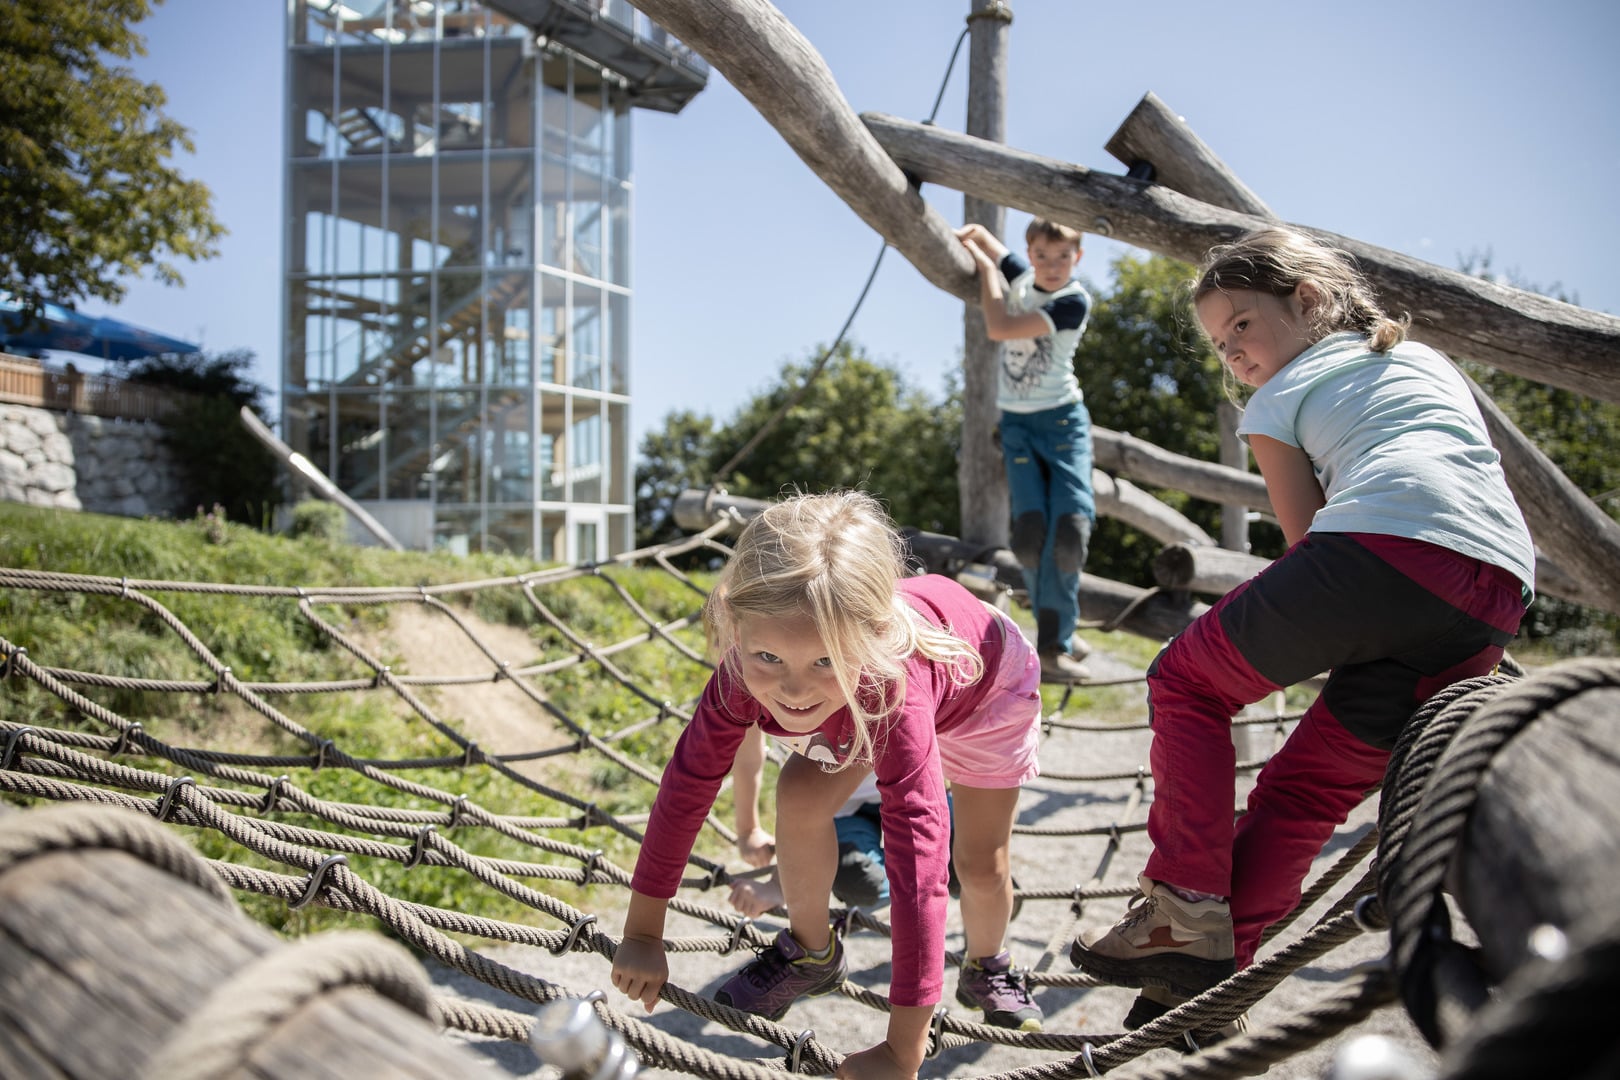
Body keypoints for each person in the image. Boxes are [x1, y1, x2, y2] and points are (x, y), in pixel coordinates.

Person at [1069, 227, 1535, 1032]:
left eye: (1241, 325)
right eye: (1220, 343)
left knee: (1186, 679)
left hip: (1383, 550)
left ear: (1309, 299)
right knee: (1307, 791)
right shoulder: (1424, 362)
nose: (1233, 353)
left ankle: (1183, 907)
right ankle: (1206, 987)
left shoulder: (1276, 399)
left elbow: (1306, 538)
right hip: (1494, 592)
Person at [612, 491, 1046, 1080]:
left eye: (820, 661)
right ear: (736, 629)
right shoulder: (741, 675)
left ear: (864, 642)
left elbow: (918, 854)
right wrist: (642, 931)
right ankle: (811, 952)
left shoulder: (889, 686)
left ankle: (988, 963)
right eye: (768, 656)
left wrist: (903, 1049)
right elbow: (686, 790)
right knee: (797, 793)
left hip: (985, 687)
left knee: (978, 862)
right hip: (865, 691)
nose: (791, 691)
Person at [955, 218, 1097, 683]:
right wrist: (977, 235)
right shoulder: (1023, 275)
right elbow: (999, 251)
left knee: (1070, 530)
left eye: (1063, 257)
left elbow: (1000, 326)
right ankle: (1057, 633)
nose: (1052, 266)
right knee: (1031, 535)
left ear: (1077, 257)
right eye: (1042, 256)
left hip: (1061, 423)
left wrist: (984, 269)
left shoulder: (1071, 301)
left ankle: (1058, 638)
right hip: (1017, 426)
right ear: (1031, 254)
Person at [728, 725, 896, 916]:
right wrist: (748, 830)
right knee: (859, 881)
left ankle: (927, 877)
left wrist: (778, 885)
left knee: (921, 860)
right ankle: (901, 881)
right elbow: (748, 754)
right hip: (838, 811)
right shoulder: (754, 698)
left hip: (897, 787)